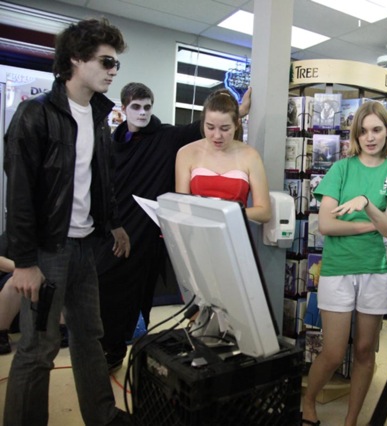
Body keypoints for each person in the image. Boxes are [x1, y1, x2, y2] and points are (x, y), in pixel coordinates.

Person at [3, 18, 133, 425]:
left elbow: (97, 178)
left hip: (84, 248)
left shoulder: (97, 115)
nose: (113, 70)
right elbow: (20, 194)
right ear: (76, 59)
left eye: (116, 63)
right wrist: (24, 262)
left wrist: (111, 222)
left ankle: (102, 417)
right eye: (106, 61)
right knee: (38, 348)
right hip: (47, 251)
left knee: (90, 338)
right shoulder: (35, 114)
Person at [96, 83, 251, 372]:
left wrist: (238, 111)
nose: (142, 113)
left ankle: (120, 350)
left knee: (142, 296)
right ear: (123, 108)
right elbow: (103, 186)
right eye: (135, 107)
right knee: (109, 292)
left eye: (147, 107)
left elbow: (199, 127)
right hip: (116, 233)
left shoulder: (166, 137)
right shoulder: (110, 143)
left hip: (152, 235)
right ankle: (110, 348)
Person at [301, 101, 387, 426]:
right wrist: (370, 223)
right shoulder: (341, 169)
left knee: (365, 350)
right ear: (356, 134)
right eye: (363, 131)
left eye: (376, 129)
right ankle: (308, 400)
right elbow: (326, 225)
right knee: (334, 352)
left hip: (377, 270)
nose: (370, 137)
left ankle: (351, 420)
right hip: (338, 267)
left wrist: (365, 204)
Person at [175, 88, 271, 223]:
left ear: (236, 125)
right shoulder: (187, 153)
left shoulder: (250, 156)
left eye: (225, 128)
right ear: (202, 124)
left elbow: (264, 212)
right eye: (210, 127)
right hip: (197, 235)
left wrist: (227, 213)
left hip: (235, 236)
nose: (217, 135)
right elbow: (181, 206)